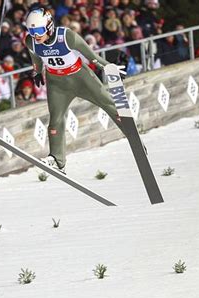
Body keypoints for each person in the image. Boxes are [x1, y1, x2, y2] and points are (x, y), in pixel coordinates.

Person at [24, 5, 127, 173]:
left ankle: (131, 134)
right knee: (55, 120)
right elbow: (36, 58)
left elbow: (91, 56)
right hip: (57, 83)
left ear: (49, 26)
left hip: (80, 77)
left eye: (39, 30)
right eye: (31, 31)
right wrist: (36, 71)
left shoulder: (66, 36)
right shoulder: (31, 41)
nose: (35, 35)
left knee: (107, 102)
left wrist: (108, 67)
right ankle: (57, 159)